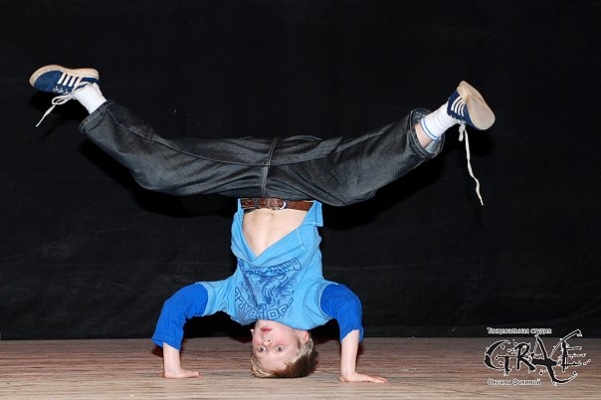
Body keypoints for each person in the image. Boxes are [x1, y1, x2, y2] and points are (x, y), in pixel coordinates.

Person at [29, 65, 495, 382]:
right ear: (304, 339)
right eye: (279, 350)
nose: (265, 343)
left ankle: (86, 93)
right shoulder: (312, 308)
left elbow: (180, 303)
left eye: (258, 351)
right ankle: (446, 115)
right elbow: (349, 308)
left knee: (158, 175)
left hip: (244, 174)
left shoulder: (237, 306)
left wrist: (171, 364)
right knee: (354, 187)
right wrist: (348, 369)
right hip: (305, 176)